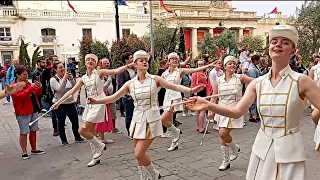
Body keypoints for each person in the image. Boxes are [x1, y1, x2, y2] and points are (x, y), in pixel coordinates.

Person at [184, 25, 320, 180]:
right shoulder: (258, 83)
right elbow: (237, 112)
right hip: (261, 150)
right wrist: (208, 105)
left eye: (285, 42)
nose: (278, 45)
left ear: (294, 50)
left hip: (290, 152)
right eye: (274, 41)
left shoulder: (302, 81)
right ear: (269, 48)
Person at [87, 50, 204, 180]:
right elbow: (113, 98)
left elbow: (174, 87)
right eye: (141, 60)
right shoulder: (130, 84)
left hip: (151, 120)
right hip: (137, 121)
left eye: (145, 60)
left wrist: (190, 90)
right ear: (135, 64)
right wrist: (96, 101)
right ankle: (144, 177)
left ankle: (154, 174)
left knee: (139, 153)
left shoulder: (155, 79)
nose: (144, 62)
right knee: (138, 154)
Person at [51, 54, 134, 167]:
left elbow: (116, 70)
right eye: (87, 59)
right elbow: (71, 92)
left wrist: (130, 65)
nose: (90, 61)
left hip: (99, 103)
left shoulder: (99, 73)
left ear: (95, 63)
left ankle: (99, 145)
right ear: (84, 62)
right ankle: (96, 156)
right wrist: (57, 103)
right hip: (90, 105)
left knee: (82, 130)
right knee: (91, 132)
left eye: (92, 60)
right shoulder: (84, 78)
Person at [161, 52, 214, 152]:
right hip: (166, 98)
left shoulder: (180, 71)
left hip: (175, 98)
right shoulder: (165, 74)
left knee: (163, 119)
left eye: (176, 59)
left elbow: (195, 69)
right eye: (172, 59)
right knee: (169, 121)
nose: (175, 60)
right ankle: (174, 141)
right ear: (168, 61)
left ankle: (176, 132)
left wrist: (209, 65)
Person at [11, 65, 45, 160]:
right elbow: (20, 96)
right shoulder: (13, 85)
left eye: (27, 74)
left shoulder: (27, 83)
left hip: (33, 109)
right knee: (24, 132)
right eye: (24, 74)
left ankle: (34, 149)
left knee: (33, 130)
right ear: (17, 75)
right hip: (23, 112)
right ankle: (24, 152)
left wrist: (38, 88)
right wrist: (31, 88)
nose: (26, 76)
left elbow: (35, 94)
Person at [50, 62, 84, 147]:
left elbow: (74, 87)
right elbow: (60, 90)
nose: (62, 69)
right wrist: (64, 79)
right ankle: (64, 140)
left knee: (75, 120)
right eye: (60, 67)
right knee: (61, 122)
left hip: (70, 102)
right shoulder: (53, 80)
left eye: (63, 67)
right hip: (60, 103)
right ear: (55, 69)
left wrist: (72, 79)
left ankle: (77, 136)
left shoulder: (67, 78)